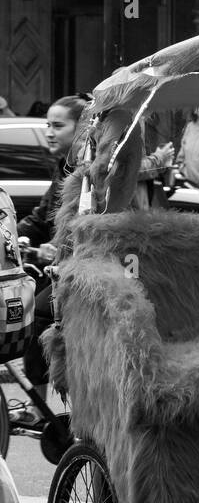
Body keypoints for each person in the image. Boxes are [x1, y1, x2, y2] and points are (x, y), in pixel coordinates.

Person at [15, 95, 89, 422]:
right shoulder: (63, 169)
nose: (49, 131)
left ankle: (50, 406)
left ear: (82, 127)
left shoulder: (89, 170)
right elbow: (42, 217)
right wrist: (16, 235)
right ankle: (39, 407)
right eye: (47, 124)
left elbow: (90, 224)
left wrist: (62, 253)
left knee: (36, 311)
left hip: (85, 273)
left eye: (58, 125)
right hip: (59, 269)